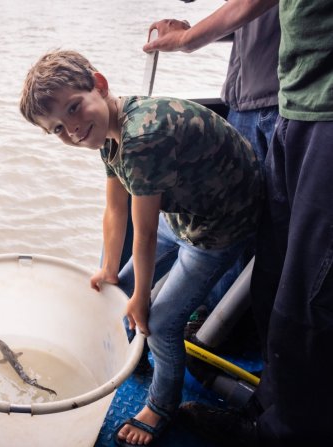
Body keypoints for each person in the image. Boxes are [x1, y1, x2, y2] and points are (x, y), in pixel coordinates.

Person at [19, 49, 263, 446]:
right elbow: (115, 210)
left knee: (161, 321)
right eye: (58, 129)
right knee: (119, 290)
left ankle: (161, 405)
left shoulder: (140, 138)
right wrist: (111, 270)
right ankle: (137, 356)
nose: (72, 129)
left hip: (219, 223)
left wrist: (143, 301)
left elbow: (144, 232)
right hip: (184, 208)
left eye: (74, 108)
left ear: (99, 84)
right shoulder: (109, 134)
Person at [144, 0, 333, 445]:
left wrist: (187, 39)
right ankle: (272, 402)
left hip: (321, 112)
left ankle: (285, 431)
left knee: (311, 286)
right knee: (272, 267)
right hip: (297, 103)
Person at [146, 5, 280, 311]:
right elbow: (256, 21)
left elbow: (250, 8)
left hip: (272, 105)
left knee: (245, 223)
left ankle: (225, 322)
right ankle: (215, 313)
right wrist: (193, 30)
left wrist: (187, 38)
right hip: (246, 99)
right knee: (239, 215)